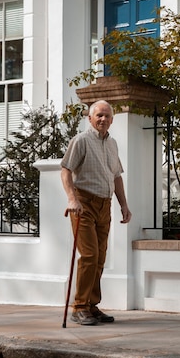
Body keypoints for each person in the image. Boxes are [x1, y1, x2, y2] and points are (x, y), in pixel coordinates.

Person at [61, 99, 132, 326]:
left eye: (107, 116)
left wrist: (124, 205)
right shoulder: (81, 140)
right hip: (84, 203)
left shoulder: (112, 144)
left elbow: (116, 176)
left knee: (100, 258)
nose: (103, 119)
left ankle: (92, 305)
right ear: (89, 118)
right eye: (99, 115)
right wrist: (72, 199)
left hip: (105, 204)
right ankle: (79, 307)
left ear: (112, 120)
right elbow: (66, 170)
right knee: (90, 255)